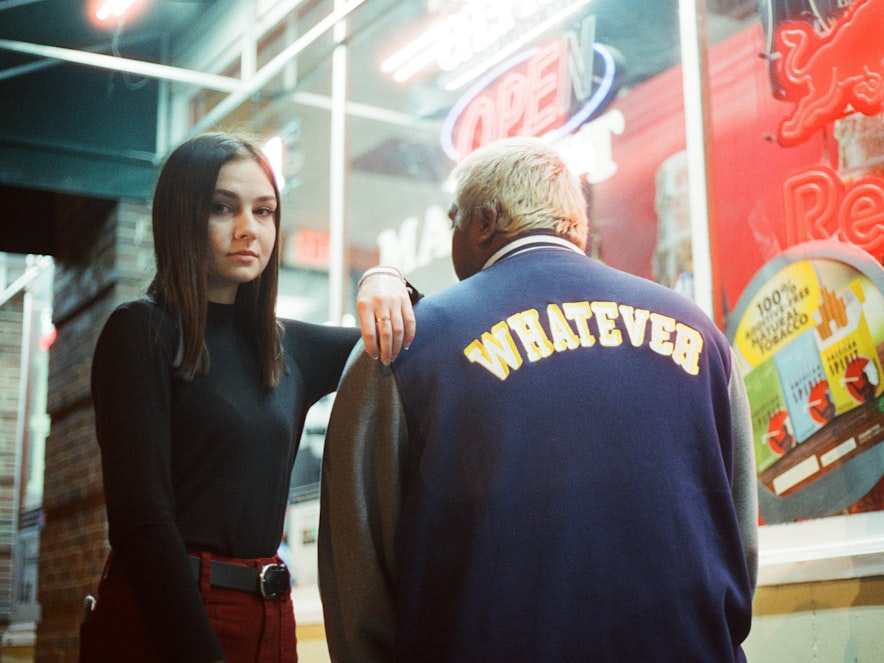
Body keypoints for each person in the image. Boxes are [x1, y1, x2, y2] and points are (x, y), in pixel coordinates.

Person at [318, 136, 759, 662]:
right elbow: (740, 540)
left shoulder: (403, 346)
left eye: (453, 221)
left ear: (482, 222)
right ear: (577, 224)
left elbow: (360, 583)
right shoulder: (701, 334)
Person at [81, 131, 417, 663]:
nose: (249, 230)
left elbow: (419, 333)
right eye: (223, 208)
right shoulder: (142, 331)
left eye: (265, 212)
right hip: (167, 615)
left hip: (268, 616)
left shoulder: (289, 347)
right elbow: (140, 520)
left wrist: (383, 275)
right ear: (181, 216)